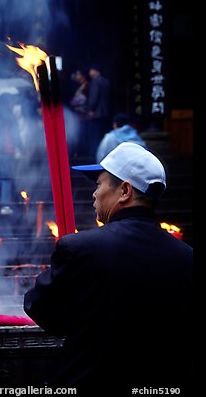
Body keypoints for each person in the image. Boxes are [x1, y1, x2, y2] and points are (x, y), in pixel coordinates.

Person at [24, 142, 193, 395]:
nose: (94, 194)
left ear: (124, 190)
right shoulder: (187, 257)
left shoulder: (79, 248)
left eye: (99, 184)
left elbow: (41, 308)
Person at [86, 63, 111, 156]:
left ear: (95, 71)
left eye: (91, 70)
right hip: (105, 112)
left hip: (97, 112)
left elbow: (94, 97)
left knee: (95, 135)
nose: (89, 72)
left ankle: (95, 153)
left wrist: (91, 109)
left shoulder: (95, 81)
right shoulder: (105, 81)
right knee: (102, 134)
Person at [69, 69, 90, 156]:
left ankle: (81, 152)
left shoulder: (86, 86)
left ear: (83, 76)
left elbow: (81, 99)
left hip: (82, 113)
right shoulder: (81, 86)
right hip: (79, 113)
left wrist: (73, 102)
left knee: (81, 133)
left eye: (78, 74)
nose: (76, 77)